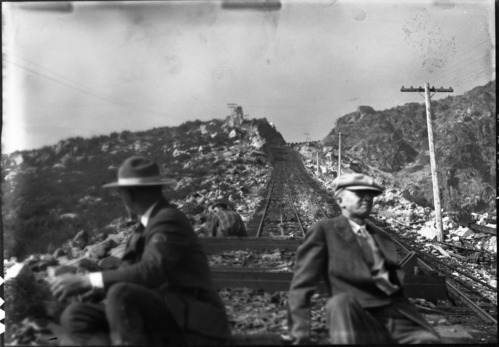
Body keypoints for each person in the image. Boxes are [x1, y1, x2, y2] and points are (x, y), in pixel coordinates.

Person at [50, 156, 231, 346]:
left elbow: (150, 271)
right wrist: (94, 290)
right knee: (76, 316)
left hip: (194, 324)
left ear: (130, 194)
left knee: (121, 293)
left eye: (121, 193)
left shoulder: (168, 220)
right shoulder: (145, 228)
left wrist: (86, 280)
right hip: (166, 315)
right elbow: (128, 272)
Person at [287, 173, 441, 344]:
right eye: (359, 194)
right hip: (355, 312)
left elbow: (395, 285)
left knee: (428, 341)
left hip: (393, 315)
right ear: (340, 200)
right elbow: (301, 285)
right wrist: (299, 332)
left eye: (370, 195)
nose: (367, 199)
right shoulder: (324, 231)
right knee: (339, 303)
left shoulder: (382, 238)